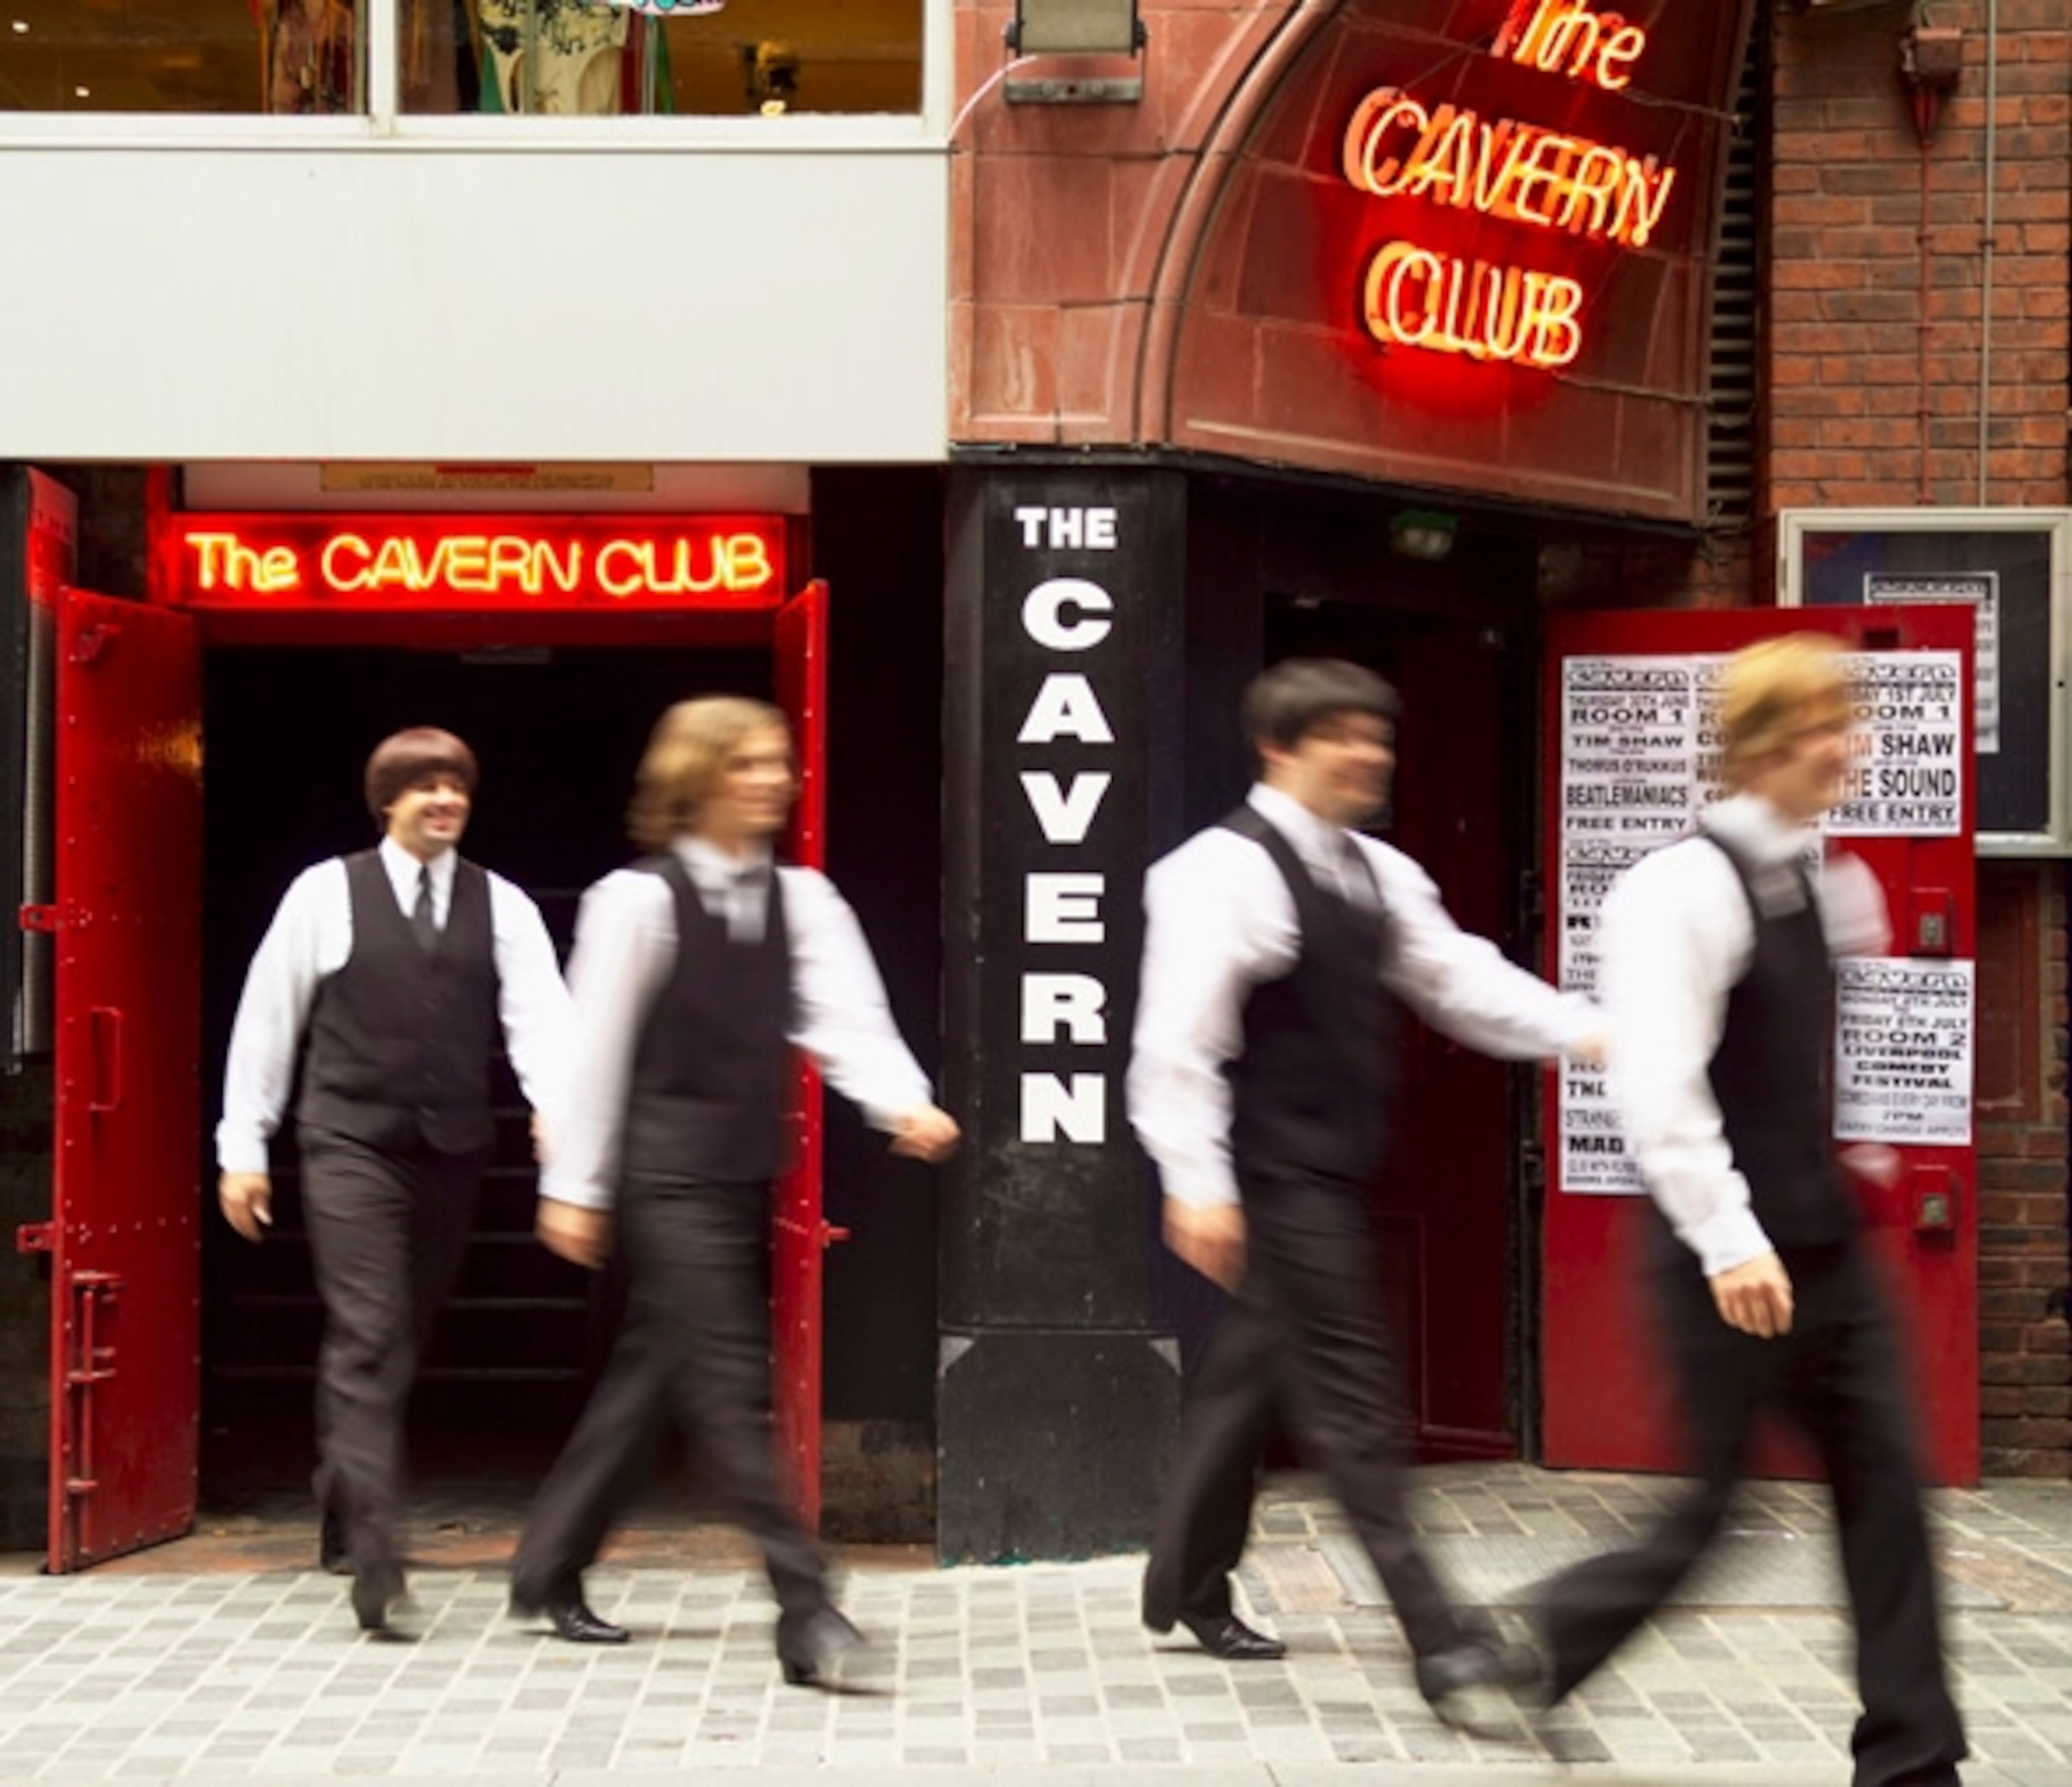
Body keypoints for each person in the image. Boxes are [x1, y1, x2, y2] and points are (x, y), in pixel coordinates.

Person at [1528, 635, 1967, 1786]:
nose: (1850, 746)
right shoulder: (1675, 889)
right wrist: (1728, 1237)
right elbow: (1657, 1081)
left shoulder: (1835, 878)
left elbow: (1813, 1054)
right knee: (1709, 1515)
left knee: (1887, 1488)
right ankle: (1534, 1650)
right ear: (1768, 741)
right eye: (1830, 726)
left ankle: (1914, 1759)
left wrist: (1855, 1152)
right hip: (1722, 1256)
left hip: (1822, 1245)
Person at [1128, 657, 1597, 1727]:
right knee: (1356, 1407)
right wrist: (1195, 1180)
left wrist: (1584, 1029)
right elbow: (1176, 1045)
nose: (1371, 754)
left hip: (1333, 1172)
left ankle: (1185, 1584)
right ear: (1280, 747)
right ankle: (1444, 1640)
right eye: (1346, 735)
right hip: (1277, 1175)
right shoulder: (1218, 873)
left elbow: (1458, 978)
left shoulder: (1379, 873)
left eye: (1378, 736)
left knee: (1246, 1382)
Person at [509, 696, 959, 1685]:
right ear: (695, 777)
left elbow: (845, 1016)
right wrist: (574, 1185)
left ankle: (548, 1565)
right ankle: (806, 1604)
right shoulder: (637, 901)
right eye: (746, 762)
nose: (771, 778)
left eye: (777, 761)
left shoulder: (803, 900)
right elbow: (598, 1047)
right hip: (661, 1176)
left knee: (652, 1378)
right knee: (726, 1380)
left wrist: (900, 1103)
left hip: (736, 1171)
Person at [217, 726, 572, 1633]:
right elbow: (269, 1017)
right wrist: (243, 1146)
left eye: (456, 784)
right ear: (388, 801)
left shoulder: (501, 904)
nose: (445, 798)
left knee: (396, 1333)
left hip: (451, 1148)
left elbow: (541, 1016)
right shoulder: (323, 894)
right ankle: (378, 1553)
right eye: (425, 786)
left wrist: (556, 1108)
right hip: (348, 1143)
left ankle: (342, 1493)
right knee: (372, 1330)